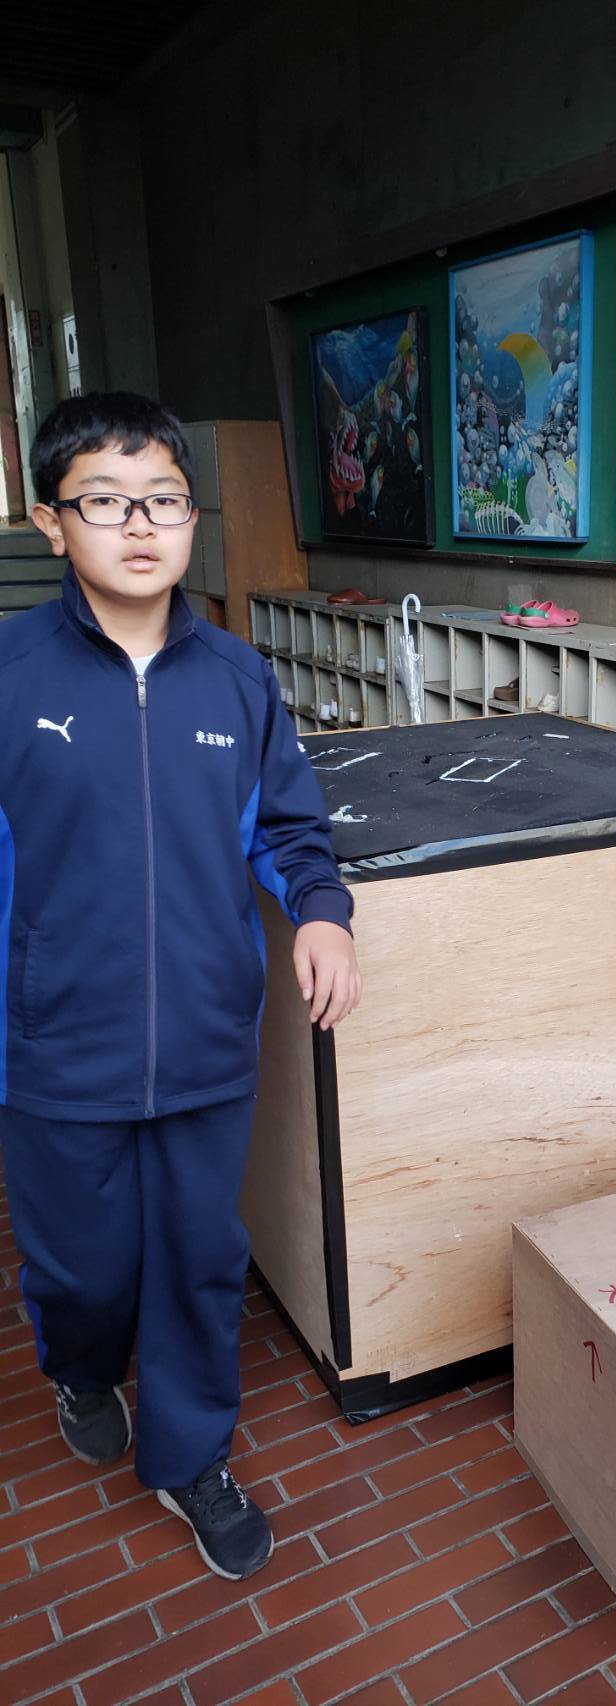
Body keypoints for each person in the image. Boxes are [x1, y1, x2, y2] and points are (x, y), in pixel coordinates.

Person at [0, 392, 362, 1580]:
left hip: (208, 1041)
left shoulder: (239, 680)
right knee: (84, 1269)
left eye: (163, 499)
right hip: (55, 1047)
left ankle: (192, 1452)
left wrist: (323, 913)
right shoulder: (10, 674)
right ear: (53, 521)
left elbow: (293, 830)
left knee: (202, 1260)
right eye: (106, 501)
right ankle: (78, 1365)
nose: (140, 526)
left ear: (192, 516)